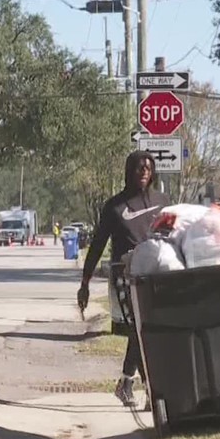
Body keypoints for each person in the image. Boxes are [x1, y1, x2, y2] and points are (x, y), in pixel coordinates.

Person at [76, 150, 170, 407]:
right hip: (126, 278)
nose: (144, 172)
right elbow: (97, 245)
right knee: (139, 330)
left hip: (156, 275)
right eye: (139, 168)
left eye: (149, 168)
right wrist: (84, 283)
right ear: (129, 171)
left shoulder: (162, 201)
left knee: (145, 331)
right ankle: (151, 390)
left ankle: (127, 382)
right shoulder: (115, 206)